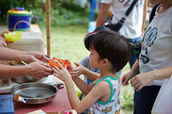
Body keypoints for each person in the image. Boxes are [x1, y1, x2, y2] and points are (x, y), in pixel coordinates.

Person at [53, 26, 131, 113]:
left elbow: (78, 108)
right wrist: (72, 75)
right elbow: (87, 89)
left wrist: (68, 81)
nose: (89, 56)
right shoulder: (111, 76)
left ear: (104, 62)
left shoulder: (104, 85)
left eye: (92, 53)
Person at [121, 0, 172, 114]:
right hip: (145, 85)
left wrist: (152, 75)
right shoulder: (156, 9)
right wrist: (133, 70)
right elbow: (148, 49)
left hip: (163, 91)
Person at [96, 0, 148, 103]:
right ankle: (110, 104)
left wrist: (141, 32)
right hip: (117, 38)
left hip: (137, 38)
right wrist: (96, 39)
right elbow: (103, 12)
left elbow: (144, 9)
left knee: (140, 75)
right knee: (111, 76)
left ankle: (138, 104)